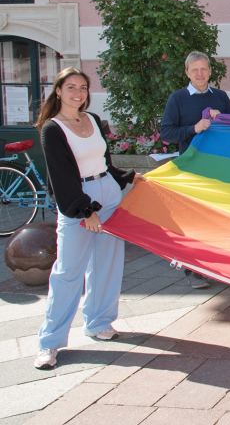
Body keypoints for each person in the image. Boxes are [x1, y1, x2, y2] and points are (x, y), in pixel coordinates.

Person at [34, 68, 136, 370]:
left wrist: (129, 179)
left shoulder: (91, 120)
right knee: (67, 272)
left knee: (107, 264)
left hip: (107, 193)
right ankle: (49, 343)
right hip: (78, 202)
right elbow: (62, 178)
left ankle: (98, 322)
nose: (78, 93)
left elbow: (105, 163)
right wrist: (85, 210)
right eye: (71, 88)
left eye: (83, 88)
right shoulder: (52, 129)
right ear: (58, 91)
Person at [160, 51, 230, 288]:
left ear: (210, 71)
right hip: (192, 169)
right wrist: (194, 128)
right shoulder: (178, 98)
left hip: (218, 167)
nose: (200, 74)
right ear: (187, 73)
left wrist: (222, 118)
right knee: (193, 219)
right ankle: (192, 270)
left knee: (215, 217)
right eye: (195, 70)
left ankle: (215, 265)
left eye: (204, 69)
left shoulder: (221, 96)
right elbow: (167, 133)